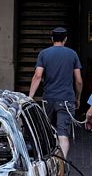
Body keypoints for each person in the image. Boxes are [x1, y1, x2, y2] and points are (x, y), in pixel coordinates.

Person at [28, 27, 83, 159]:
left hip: (49, 98)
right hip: (67, 99)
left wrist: (30, 97)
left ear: (52, 38)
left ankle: (48, 161)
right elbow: (79, 80)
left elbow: (37, 76)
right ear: (65, 39)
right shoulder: (72, 54)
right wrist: (78, 97)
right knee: (63, 134)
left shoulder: (44, 54)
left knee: (47, 132)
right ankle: (61, 164)